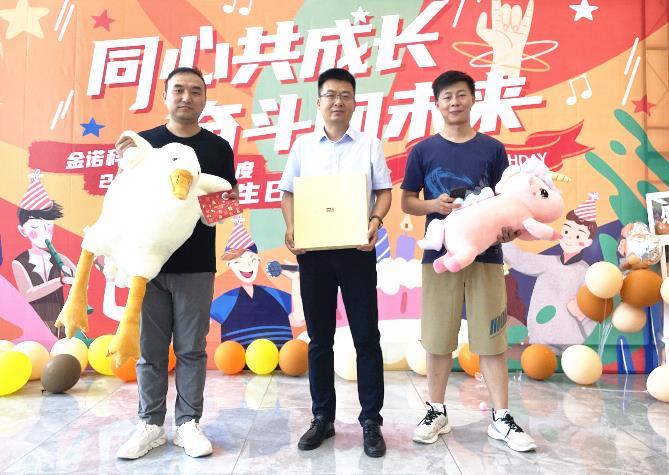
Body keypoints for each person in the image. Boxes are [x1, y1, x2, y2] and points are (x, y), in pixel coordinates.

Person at [400, 70, 536, 452]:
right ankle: (436, 411)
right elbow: (407, 200)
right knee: (437, 337)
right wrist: (433, 205)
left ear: (473, 99)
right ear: (437, 103)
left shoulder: (492, 149)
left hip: (487, 256)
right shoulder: (423, 151)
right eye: (447, 96)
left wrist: (510, 231)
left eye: (461, 95)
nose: (454, 102)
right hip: (439, 257)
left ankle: (501, 417)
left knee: (491, 338)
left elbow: (509, 201)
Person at [114, 67, 238, 459]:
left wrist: (209, 203)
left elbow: (225, 206)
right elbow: (123, 199)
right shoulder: (144, 143)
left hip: (196, 265)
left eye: (196, 91)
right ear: (165, 95)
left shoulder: (218, 148)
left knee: (191, 349)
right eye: (179, 89)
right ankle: (150, 425)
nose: (187, 97)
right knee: (150, 351)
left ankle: (187, 424)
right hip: (147, 266)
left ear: (205, 99)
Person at [279, 68, 392, 458]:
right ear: (319, 101)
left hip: (357, 252)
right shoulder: (303, 147)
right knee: (319, 339)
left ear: (355, 102)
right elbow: (288, 192)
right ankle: (322, 418)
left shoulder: (369, 145)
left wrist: (375, 221)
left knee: (366, 338)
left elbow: (383, 192)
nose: (337, 102)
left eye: (345, 95)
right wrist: (292, 227)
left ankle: (371, 421)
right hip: (314, 255)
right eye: (330, 95)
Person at [502, 194, 600, 352]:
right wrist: (504, 238)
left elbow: (593, 315)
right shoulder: (548, 263)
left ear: (588, 242)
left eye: (577, 235)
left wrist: (581, 315)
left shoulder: (587, 274)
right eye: (567, 231)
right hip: (539, 340)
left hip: (571, 343)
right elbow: (519, 259)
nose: (570, 238)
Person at [13, 170, 76, 338]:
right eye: (35, 227)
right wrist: (60, 281)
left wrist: (75, 278)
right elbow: (28, 294)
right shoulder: (19, 262)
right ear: (23, 230)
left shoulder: (60, 258)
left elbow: (81, 281)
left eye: (48, 226)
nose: (43, 233)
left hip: (60, 325)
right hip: (34, 326)